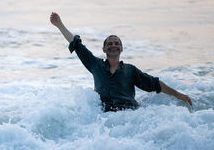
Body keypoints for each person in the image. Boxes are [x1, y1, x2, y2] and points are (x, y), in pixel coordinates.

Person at [50, 12, 193, 112]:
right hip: (104, 117)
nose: (113, 45)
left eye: (117, 43)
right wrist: (59, 24)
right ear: (104, 49)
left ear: (121, 49)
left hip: (130, 116)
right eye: (110, 43)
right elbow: (77, 45)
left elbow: (155, 84)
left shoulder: (130, 70)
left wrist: (179, 95)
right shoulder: (95, 65)